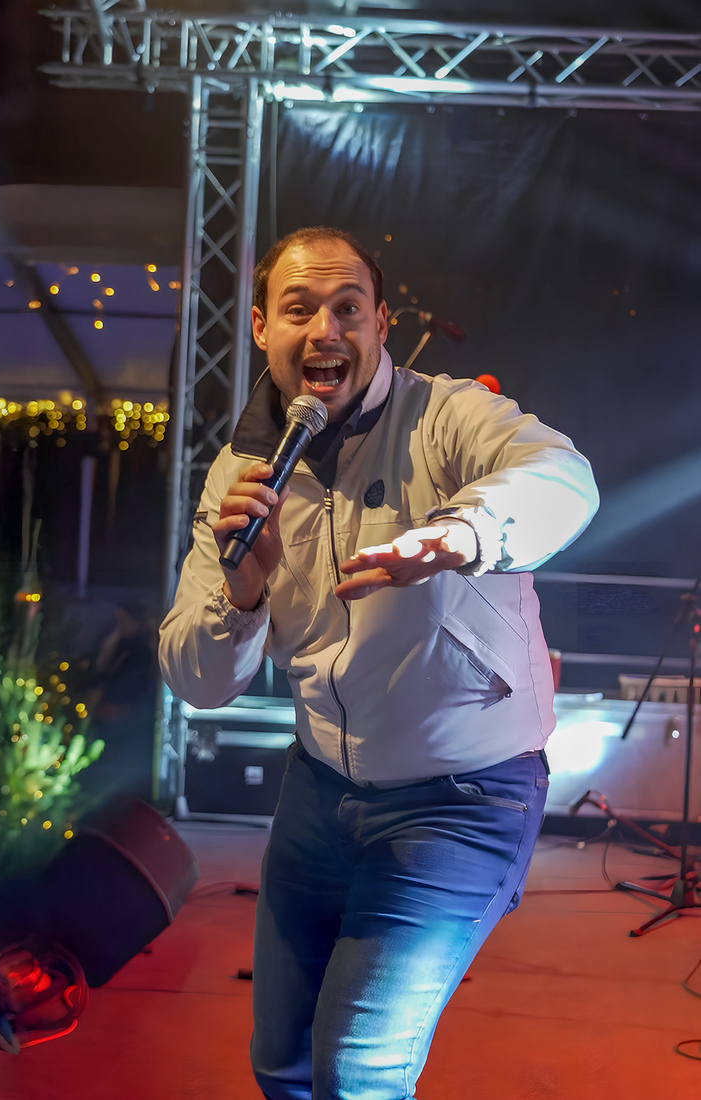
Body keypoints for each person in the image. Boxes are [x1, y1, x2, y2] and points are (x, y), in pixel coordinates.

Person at [159, 226, 599, 1100]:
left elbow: (562, 475)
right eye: (298, 309)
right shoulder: (241, 473)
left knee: (357, 1071)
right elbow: (198, 683)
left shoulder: (446, 414)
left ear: (380, 324)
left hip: (463, 798)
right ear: (260, 327)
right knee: (280, 1061)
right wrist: (241, 594)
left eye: (347, 308)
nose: (324, 329)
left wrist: (458, 535)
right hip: (318, 791)